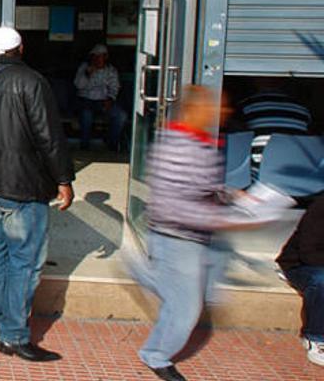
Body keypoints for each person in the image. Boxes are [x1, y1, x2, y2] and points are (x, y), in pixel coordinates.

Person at [129, 86, 271, 381]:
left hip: (193, 237)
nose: (223, 112)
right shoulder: (180, 146)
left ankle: (147, 274)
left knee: (194, 293)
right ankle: (156, 355)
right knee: (186, 307)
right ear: (194, 110)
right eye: (215, 106)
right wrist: (229, 221)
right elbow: (174, 206)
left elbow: (199, 188)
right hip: (178, 236)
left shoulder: (195, 141)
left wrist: (233, 196)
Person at [0, 26, 75, 362]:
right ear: (19, 49)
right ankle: (12, 335)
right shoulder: (32, 82)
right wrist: (64, 179)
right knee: (25, 261)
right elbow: (49, 137)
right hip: (25, 188)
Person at [277, 196, 324, 367]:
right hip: (300, 265)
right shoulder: (321, 207)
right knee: (322, 280)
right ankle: (316, 339)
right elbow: (308, 251)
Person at [238, 80, 312, 179]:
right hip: (297, 169)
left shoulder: (246, 105)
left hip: (259, 170)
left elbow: (237, 142)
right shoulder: (302, 108)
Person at [73, 44, 126, 151]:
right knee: (86, 115)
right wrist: (87, 74)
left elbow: (115, 87)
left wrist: (110, 99)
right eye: (95, 56)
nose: (98, 59)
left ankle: (112, 146)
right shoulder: (84, 67)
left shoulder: (111, 70)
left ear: (105, 57)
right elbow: (78, 85)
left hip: (104, 101)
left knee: (121, 115)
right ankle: (85, 147)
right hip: (86, 101)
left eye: (101, 56)